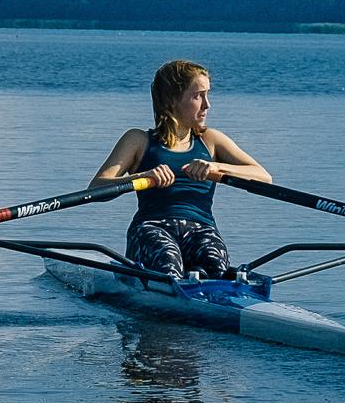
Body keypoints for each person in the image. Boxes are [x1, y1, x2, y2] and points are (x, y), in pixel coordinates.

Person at [94, 58, 271, 283]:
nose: (207, 105)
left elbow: (263, 177)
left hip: (201, 228)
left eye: (207, 95)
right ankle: (172, 288)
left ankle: (208, 287)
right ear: (172, 99)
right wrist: (142, 176)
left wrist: (216, 166)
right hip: (151, 227)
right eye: (198, 96)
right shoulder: (138, 140)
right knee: (167, 260)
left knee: (215, 264)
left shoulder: (210, 140)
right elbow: (97, 187)